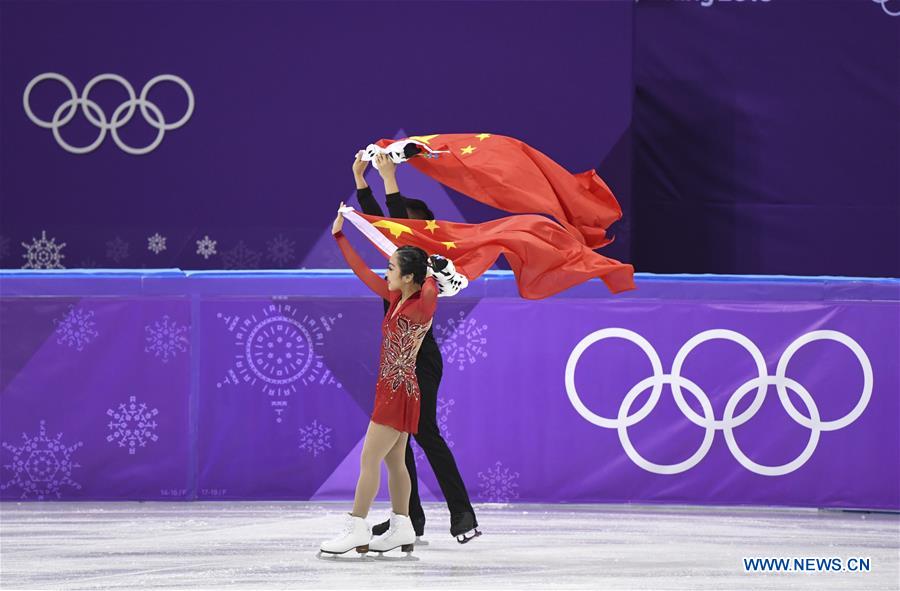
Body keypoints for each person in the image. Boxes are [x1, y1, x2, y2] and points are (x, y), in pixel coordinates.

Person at [352, 151, 481, 544]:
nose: (391, 246)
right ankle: (408, 520)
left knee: (423, 433)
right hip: (399, 363)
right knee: (397, 442)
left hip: (419, 361)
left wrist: (387, 176)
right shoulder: (398, 268)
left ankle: (461, 515)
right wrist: (361, 179)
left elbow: (393, 225)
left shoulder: (420, 269)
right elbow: (379, 224)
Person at [319, 203, 442, 557]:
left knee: (369, 460)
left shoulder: (422, 305)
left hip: (398, 390)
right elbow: (362, 272)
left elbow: (432, 288)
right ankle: (401, 526)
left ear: (408, 277)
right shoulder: (395, 297)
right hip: (399, 388)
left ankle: (356, 526)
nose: (385, 272)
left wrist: (434, 272)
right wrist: (340, 236)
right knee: (394, 461)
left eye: (391, 268)